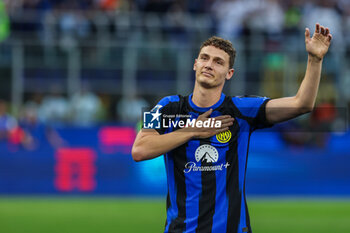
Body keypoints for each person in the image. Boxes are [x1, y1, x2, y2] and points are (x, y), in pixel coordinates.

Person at [132, 23, 332, 233]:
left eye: (218, 62)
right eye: (205, 58)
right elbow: (139, 149)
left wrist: (315, 60)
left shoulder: (242, 109)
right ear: (195, 64)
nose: (209, 64)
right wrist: (192, 130)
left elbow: (302, 104)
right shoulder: (166, 106)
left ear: (229, 73)